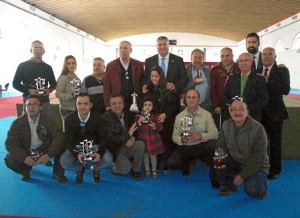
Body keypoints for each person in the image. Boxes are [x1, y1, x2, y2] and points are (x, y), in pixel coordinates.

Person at [143, 36, 188, 172]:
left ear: (168, 45)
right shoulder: (149, 61)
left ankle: (166, 162)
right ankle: (155, 161)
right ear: (156, 46)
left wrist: (175, 85)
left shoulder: (178, 60)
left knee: (168, 136)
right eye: (159, 44)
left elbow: (184, 79)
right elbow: (146, 80)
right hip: (153, 105)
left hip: (170, 105)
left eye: (164, 44)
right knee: (154, 135)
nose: (162, 47)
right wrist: (144, 86)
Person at [215, 98, 269, 199]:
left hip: (256, 165)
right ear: (230, 112)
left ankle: (262, 186)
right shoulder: (226, 125)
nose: (237, 112)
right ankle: (230, 187)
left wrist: (243, 175)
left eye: (241, 109)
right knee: (219, 162)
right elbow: (221, 146)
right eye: (234, 110)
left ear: (247, 112)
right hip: (237, 161)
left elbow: (259, 158)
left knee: (252, 191)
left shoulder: (258, 128)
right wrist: (219, 162)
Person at [4, 95, 66, 182]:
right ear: (25, 107)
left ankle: (57, 172)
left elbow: (59, 137)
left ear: (41, 107)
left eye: (34, 104)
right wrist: (24, 157)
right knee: (9, 160)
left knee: (62, 145)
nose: (31, 107)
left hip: (44, 149)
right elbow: (9, 143)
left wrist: (49, 154)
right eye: (28, 105)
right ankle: (25, 170)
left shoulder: (49, 121)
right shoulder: (17, 123)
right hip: (26, 150)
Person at [170, 89, 219, 188]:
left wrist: (201, 136)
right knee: (172, 163)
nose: (191, 100)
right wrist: (181, 140)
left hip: (202, 146)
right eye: (188, 97)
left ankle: (214, 175)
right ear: (185, 100)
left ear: (199, 100)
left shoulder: (207, 114)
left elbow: (215, 134)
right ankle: (186, 163)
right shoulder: (179, 117)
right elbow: (174, 136)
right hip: (186, 147)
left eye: (194, 97)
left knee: (214, 146)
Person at [60, 93, 112, 184]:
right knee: (64, 162)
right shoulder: (69, 119)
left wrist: (99, 153)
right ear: (76, 105)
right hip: (77, 147)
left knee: (108, 159)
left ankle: (95, 169)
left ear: (91, 105)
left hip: (94, 146)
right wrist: (77, 154)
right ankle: (80, 169)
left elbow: (104, 138)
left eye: (85, 104)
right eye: (79, 103)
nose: (82, 107)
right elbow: (68, 140)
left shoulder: (99, 119)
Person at [258, 47, 290, 180]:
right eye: (264, 54)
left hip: (276, 113)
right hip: (259, 113)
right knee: (260, 143)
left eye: (269, 54)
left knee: (275, 144)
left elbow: (285, 90)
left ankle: (275, 170)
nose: (266, 57)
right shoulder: (256, 71)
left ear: (274, 56)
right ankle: (261, 167)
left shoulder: (282, 70)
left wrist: (267, 81)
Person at [143, 65, 179, 173]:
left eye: (157, 76)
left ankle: (166, 163)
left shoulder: (167, 87)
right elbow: (146, 105)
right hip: (154, 120)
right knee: (155, 142)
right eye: (152, 76)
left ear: (161, 76)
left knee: (166, 143)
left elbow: (175, 105)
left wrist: (165, 114)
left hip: (166, 119)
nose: (154, 78)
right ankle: (157, 163)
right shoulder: (147, 89)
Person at [101, 94, 145, 180]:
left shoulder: (129, 115)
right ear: (109, 106)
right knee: (125, 169)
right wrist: (128, 136)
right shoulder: (104, 119)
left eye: (119, 103)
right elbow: (110, 141)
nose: (117, 106)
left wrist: (133, 138)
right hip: (114, 150)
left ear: (123, 105)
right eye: (114, 104)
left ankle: (136, 170)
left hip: (126, 146)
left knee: (140, 145)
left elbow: (134, 130)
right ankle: (114, 167)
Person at [13, 40, 56, 114]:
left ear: (43, 51)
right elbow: (15, 84)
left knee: (44, 124)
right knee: (28, 124)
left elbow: (54, 84)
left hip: (44, 102)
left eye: (40, 48)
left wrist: (49, 90)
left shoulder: (48, 68)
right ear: (31, 50)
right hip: (29, 102)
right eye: (35, 48)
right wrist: (29, 91)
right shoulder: (22, 66)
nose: (38, 50)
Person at [223, 52, 268, 122]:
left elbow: (263, 99)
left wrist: (245, 109)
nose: (243, 63)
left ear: (251, 62)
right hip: (233, 116)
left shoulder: (259, 79)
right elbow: (225, 96)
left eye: (246, 60)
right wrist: (233, 108)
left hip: (252, 116)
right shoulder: (231, 78)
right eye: (241, 61)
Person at [104, 41, 144, 112]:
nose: (122, 50)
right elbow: (107, 87)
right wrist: (107, 105)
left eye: (125, 48)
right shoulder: (111, 65)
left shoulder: (138, 64)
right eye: (120, 48)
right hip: (117, 104)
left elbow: (143, 83)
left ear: (131, 50)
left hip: (135, 103)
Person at [210, 47, 240, 129]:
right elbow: (212, 89)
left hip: (236, 104)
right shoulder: (215, 70)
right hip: (221, 106)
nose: (225, 58)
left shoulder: (239, 68)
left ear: (232, 56)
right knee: (223, 129)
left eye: (227, 56)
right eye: (222, 56)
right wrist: (216, 105)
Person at [135, 97, 164, 178]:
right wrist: (139, 121)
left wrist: (155, 126)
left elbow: (161, 127)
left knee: (153, 155)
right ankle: (147, 169)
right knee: (145, 155)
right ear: (142, 106)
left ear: (153, 106)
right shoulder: (138, 117)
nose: (147, 107)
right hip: (143, 139)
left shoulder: (155, 117)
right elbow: (136, 126)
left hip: (153, 140)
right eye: (145, 105)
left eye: (149, 105)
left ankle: (154, 169)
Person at [56, 55, 81, 131]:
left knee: (75, 131)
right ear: (65, 65)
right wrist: (71, 95)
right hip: (66, 108)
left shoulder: (76, 77)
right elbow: (58, 94)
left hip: (75, 108)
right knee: (67, 131)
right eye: (69, 63)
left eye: (73, 63)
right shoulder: (63, 77)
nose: (71, 65)